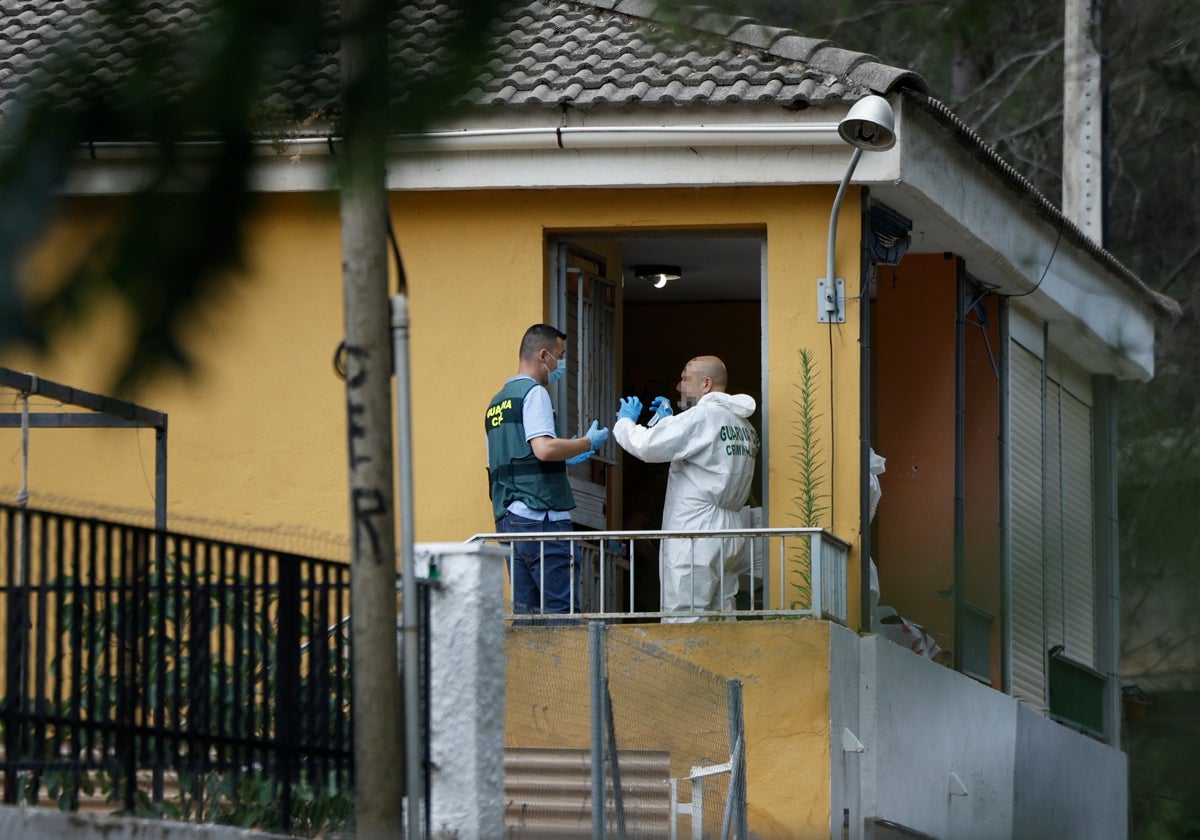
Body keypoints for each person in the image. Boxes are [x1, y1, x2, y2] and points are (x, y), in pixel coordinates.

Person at [612, 356, 759, 622]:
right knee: (722, 616)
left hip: (696, 531)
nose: (679, 387)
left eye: (685, 379)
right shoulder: (743, 426)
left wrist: (624, 424)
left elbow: (647, 446)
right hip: (729, 531)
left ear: (706, 383)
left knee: (684, 618)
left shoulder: (702, 417)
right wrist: (669, 423)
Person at [485, 324, 610, 616]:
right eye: (560, 355)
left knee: (526, 619)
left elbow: (512, 460)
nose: (561, 363)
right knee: (561, 616)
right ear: (544, 355)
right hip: (542, 518)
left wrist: (564, 459)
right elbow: (543, 448)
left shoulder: (496, 403)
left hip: (509, 520)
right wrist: (585, 443)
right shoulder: (535, 393)